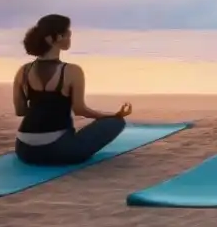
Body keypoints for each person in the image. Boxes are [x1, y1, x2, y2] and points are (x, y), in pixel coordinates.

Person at [13, 14, 132, 166]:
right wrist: (111, 116)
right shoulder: (72, 71)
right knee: (116, 123)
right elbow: (80, 110)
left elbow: (20, 111)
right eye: (66, 32)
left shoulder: (23, 71)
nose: (70, 34)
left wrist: (41, 107)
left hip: (24, 151)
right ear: (51, 39)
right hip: (58, 151)